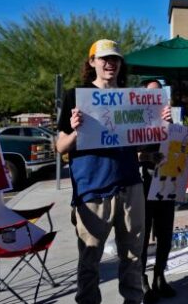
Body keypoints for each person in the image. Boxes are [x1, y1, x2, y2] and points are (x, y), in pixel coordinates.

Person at [56, 39, 171, 304]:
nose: (111, 63)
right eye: (104, 58)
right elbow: (60, 146)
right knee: (90, 260)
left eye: (115, 59)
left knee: (133, 255)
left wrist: (161, 126)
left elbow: (134, 143)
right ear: (92, 62)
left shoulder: (130, 98)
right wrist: (75, 131)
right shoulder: (77, 96)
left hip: (131, 186)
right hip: (93, 190)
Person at [137, 79, 176, 303]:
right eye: (151, 94)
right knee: (142, 236)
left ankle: (159, 276)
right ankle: (141, 280)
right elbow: (128, 153)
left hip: (166, 182)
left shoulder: (168, 117)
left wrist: (171, 125)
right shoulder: (135, 120)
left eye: (159, 93)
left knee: (165, 234)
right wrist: (147, 156)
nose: (156, 97)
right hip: (143, 183)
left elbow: (179, 145)